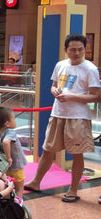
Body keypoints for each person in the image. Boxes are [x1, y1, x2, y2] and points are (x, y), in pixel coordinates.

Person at [25, 34, 100, 203]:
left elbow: (96, 96)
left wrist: (73, 97)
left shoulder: (90, 69)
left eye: (80, 49)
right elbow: (54, 85)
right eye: (72, 49)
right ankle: (36, 182)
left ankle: (73, 189)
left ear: (85, 49)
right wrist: (54, 91)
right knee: (47, 150)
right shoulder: (60, 65)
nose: (77, 53)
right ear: (66, 50)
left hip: (78, 117)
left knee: (76, 153)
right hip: (58, 113)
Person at [0, 106, 27, 203]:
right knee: (19, 188)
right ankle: (18, 204)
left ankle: (9, 202)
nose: (15, 121)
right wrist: (9, 157)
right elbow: (6, 142)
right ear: (8, 123)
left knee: (7, 185)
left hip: (4, 167)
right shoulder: (10, 131)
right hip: (16, 165)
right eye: (13, 118)